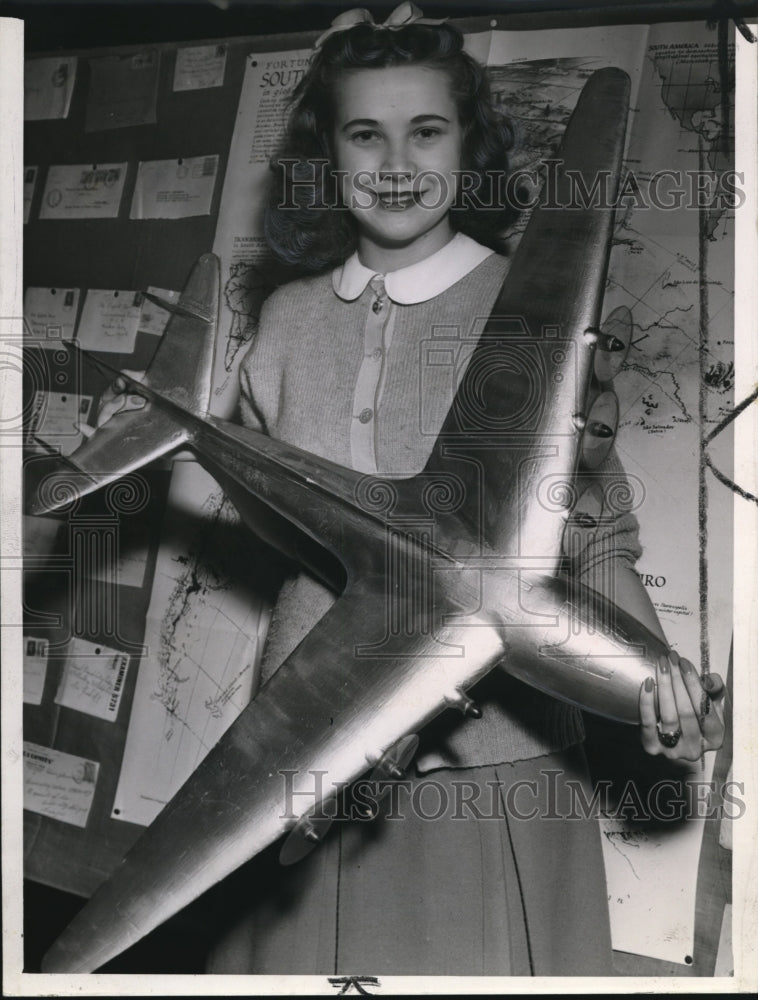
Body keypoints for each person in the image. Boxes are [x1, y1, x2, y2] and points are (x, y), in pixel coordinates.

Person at [203, 4, 725, 977]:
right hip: (304, 749)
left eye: (425, 130)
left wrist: (655, 682)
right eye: (365, 132)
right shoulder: (284, 319)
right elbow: (293, 540)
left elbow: (591, 531)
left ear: (468, 142)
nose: (394, 160)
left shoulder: (527, 305)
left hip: (486, 772)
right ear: (328, 148)